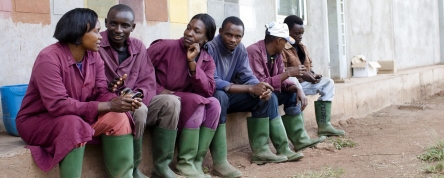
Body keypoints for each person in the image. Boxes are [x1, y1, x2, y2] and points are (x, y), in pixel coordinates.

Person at [15, 8, 140, 178]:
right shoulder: (49, 58)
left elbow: (100, 92)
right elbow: (58, 105)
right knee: (74, 125)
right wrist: (110, 105)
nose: (101, 36)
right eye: (96, 31)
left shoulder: (94, 57)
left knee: (119, 117)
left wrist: (119, 100)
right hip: (38, 122)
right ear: (79, 33)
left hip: (78, 117)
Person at [207, 16, 301, 170]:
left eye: (238, 36)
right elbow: (213, 81)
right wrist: (250, 88)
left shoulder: (240, 49)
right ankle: (220, 162)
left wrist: (259, 87)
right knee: (220, 96)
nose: (233, 40)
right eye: (229, 35)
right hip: (212, 98)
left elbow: (247, 76)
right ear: (221, 31)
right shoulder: (210, 48)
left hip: (231, 95)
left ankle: (261, 151)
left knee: (267, 97)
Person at [98, 4, 181, 178]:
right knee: (139, 108)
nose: (118, 30)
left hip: (138, 99)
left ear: (133, 27)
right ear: (106, 23)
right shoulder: (96, 45)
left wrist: (139, 94)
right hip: (111, 106)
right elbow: (93, 83)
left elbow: (148, 80)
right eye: (113, 24)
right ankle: (133, 169)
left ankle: (162, 166)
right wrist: (111, 88)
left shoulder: (138, 47)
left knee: (171, 102)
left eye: (125, 25)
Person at [147, 13, 220, 178]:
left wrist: (192, 63)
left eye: (196, 31)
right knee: (197, 101)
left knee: (214, 103)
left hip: (187, 102)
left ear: (206, 39)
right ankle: (184, 163)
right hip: (162, 101)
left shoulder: (207, 60)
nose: (189, 33)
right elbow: (139, 72)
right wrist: (159, 90)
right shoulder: (164, 47)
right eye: (188, 27)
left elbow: (208, 91)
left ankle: (194, 162)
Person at [246, 22, 326, 156]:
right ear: (278, 41)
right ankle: (282, 148)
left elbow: (282, 81)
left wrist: (297, 89)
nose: (286, 46)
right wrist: (288, 73)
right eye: (285, 42)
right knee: (271, 97)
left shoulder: (276, 54)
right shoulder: (253, 52)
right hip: (249, 93)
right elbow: (260, 84)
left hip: (266, 90)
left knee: (291, 94)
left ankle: (300, 140)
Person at [282, 15, 345, 136]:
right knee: (294, 83)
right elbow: (281, 70)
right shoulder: (282, 48)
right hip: (289, 85)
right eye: (296, 33)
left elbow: (309, 66)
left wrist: (313, 74)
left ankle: (324, 125)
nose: (300, 36)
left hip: (303, 83)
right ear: (287, 31)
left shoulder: (302, 47)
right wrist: (303, 75)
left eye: (302, 33)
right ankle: (299, 134)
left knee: (328, 83)